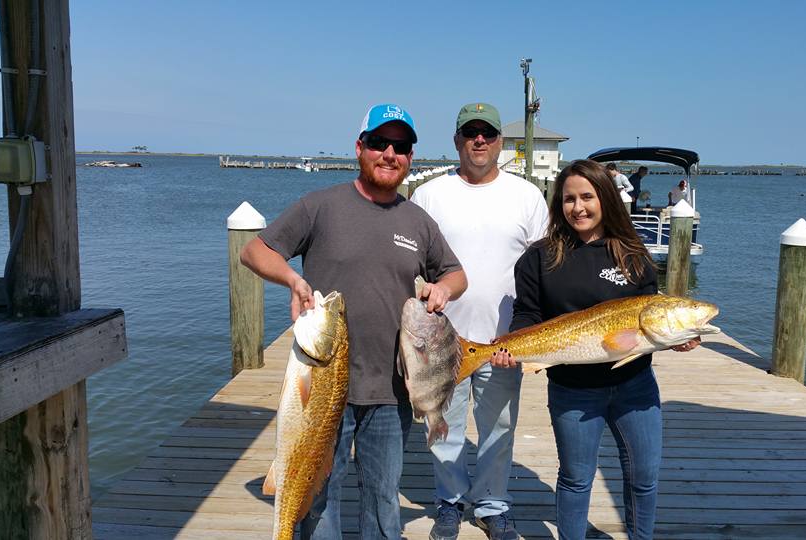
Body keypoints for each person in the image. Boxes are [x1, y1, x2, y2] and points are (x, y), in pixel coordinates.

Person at [240, 103, 468, 540]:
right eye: (380, 143)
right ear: (360, 147)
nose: (389, 153)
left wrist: (443, 290)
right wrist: (291, 278)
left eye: (400, 146)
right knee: (318, 494)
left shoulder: (418, 221)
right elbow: (254, 251)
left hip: (392, 389)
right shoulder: (319, 206)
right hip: (325, 386)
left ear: (410, 158)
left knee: (384, 501)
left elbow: (456, 274)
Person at [490, 160, 700, 540]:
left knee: (644, 477)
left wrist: (678, 338)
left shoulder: (633, 254)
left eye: (587, 196)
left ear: (604, 197)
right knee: (575, 479)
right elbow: (527, 314)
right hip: (572, 389)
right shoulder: (539, 258)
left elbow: (648, 318)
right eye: (569, 199)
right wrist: (514, 346)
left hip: (635, 386)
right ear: (559, 205)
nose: (578, 207)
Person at [411, 102, 548, 540]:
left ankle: (492, 504)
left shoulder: (525, 194)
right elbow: (410, 263)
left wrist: (538, 329)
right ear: (456, 141)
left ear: (500, 142)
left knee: (500, 427)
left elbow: (545, 265)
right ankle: (449, 501)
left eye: (487, 132)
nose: (479, 140)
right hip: (441, 338)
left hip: (504, 338)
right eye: (470, 133)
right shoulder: (430, 194)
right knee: (442, 425)